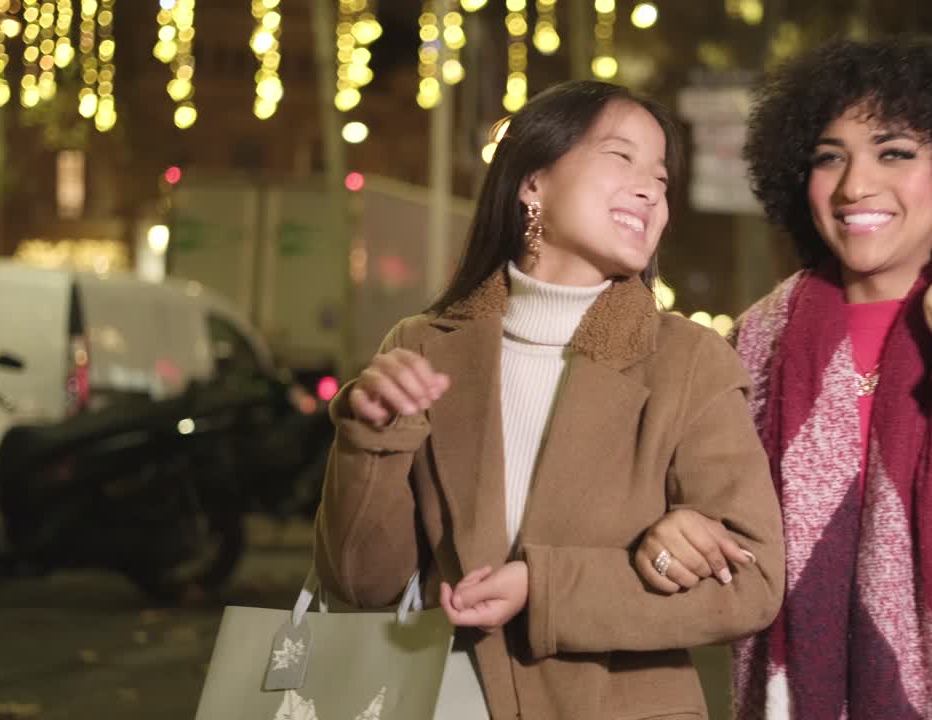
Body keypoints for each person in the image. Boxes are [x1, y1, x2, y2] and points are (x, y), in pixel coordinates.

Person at [633, 37, 932, 719]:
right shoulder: (754, 341)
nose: (854, 186)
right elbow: (695, 517)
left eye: (894, 152)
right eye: (829, 157)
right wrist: (668, 541)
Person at [313, 80, 785, 720]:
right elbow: (362, 583)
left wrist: (547, 589)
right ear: (532, 181)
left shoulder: (688, 360)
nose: (650, 190)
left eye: (661, 178)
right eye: (621, 157)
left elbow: (754, 583)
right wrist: (371, 438)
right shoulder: (423, 347)